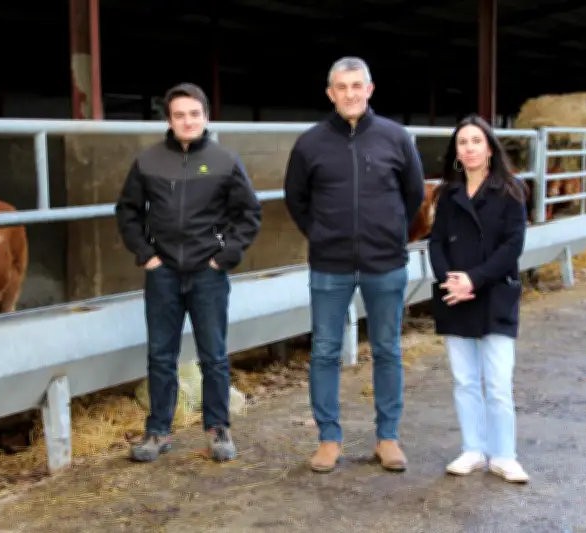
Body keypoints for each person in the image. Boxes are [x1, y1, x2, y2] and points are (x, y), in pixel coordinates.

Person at [284, 57, 426, 473]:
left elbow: (413, 194)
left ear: (370, 89)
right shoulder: (310, 143)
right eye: (341, 87)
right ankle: (329, 440)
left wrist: (390, 231)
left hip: (385, 262)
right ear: (330, 93)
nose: (349, 93)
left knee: (387, 349)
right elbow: (297, 199)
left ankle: (388, 438)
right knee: (325, 350)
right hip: (330, 263)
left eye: (356, 85)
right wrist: (322, 233)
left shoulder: (395, 138)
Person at [115, 82, 262, 463]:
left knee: (213, 354)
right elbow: (128, 212)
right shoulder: (148, 161)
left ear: (206, 117)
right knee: (161, 355)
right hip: (162, 271)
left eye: (194, 114)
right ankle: (158, 432)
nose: (187, 121)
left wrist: (223, 257)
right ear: (168, 119)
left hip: (207, 272)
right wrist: (146, 256)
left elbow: (249, 214)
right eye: (179, 115)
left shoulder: (224, 161)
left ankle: (217, 428)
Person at [428, 113, 530, 483]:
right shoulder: (448, 194)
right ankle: (473, 449)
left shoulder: (510, 190)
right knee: (465, 380)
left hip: (494, 293)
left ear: (489, 147)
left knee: (499, 381)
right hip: (455, 295)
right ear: (456, 151)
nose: (469, 148)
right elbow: (436, 242)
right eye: (462, 142)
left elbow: (513, 245)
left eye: (476, 141)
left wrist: (475, 279)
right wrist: (449, 280)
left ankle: (504, 455)